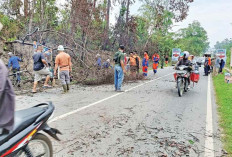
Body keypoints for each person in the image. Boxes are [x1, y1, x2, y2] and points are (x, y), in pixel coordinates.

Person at [0, 52, 15, 135]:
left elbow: (0, 88)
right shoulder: (14, 57)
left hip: (5, 103)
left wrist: (10, 67)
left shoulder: (1, 66)